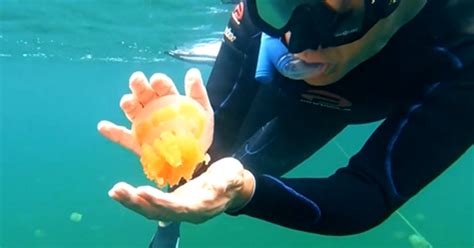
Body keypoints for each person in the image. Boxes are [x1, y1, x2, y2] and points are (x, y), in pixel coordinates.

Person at [97, 0, 473, 247]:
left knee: (238, 176)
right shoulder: (260, 24)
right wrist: (181, 142)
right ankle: (168, 223)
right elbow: (218, 131)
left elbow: (370, 193)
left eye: (335, 19)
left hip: (340, 103)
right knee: (207, 160)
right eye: (282, 3)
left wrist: (245, 192)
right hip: (268, 67)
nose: (297, 40)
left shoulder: (462, 50)